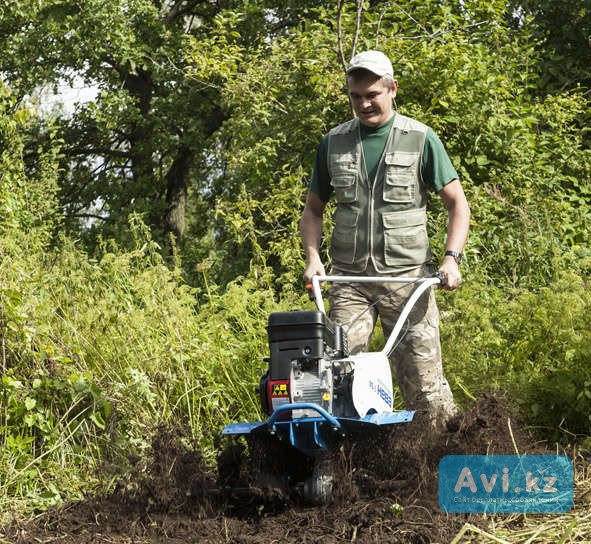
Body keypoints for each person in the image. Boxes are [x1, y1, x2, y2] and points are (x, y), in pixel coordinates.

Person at [299, 50, 470, 428]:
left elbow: (458, 204)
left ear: (393, 90)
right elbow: (313, 211)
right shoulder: (334, 142)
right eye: (356, 96)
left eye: (373, 94)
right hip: (349, 283)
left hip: (407, 281)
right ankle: (341, 468)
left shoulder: (420, 139)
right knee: (335, 379)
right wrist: (313, 259)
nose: (364, 103)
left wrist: (450, 259)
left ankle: (447, 457)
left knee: (426, 388)